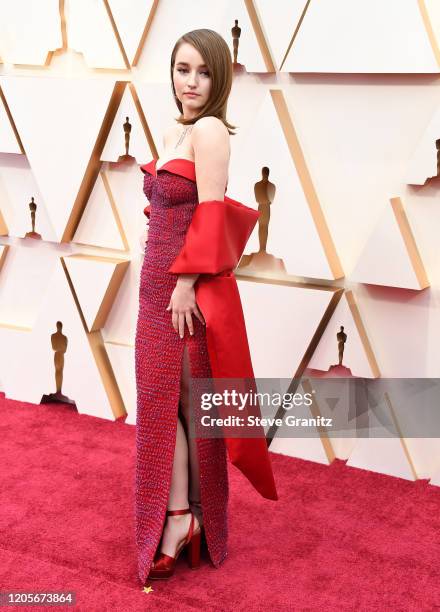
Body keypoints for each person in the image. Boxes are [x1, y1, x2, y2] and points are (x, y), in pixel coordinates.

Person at [134, 28, 278, 585]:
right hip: (155, 285)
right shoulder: (175, 129)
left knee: (188, 409)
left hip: (183, 293)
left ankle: (186, 520)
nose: (190, 82)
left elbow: (212, 213)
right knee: (161, 407)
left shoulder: (212, 130)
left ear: (219, 79)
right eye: (181, 69)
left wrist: (186, 283)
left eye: (203, 72)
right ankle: (181, 516)